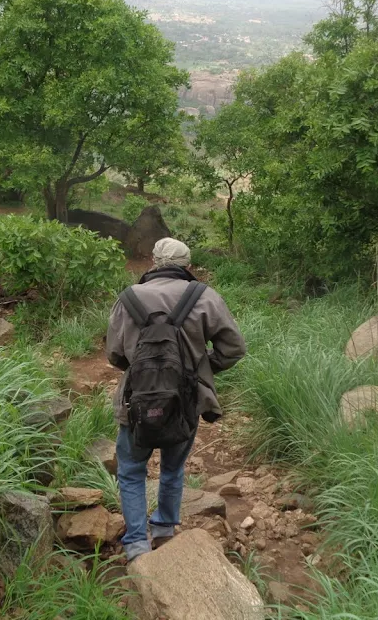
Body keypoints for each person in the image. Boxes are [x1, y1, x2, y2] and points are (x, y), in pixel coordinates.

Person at [106, 237, 246, 562]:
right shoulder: (204, 297)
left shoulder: (129, 298)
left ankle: (137, 546)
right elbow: (234, 348)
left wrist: (144, 374)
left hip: (135, 402)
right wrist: (196, 372)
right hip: (185, 402)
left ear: (153, 263)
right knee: (172, 468)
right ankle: (165, 530)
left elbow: (114, 354)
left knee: (130, 471)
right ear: (188, 266)